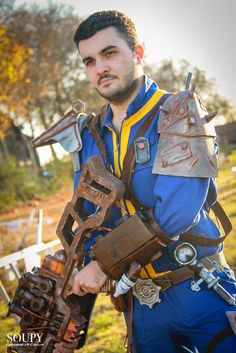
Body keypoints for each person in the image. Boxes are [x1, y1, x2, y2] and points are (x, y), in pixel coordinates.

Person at [53, 10, 236, 353]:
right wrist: (69, 313)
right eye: (89, 61)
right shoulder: (88, 136)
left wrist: (102, 265)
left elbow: (176, 213)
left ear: (137, 53)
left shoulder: (178, 111)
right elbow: (89, 225)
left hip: (199, 289)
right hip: (139, 308)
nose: (99, 68)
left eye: (109, 53)